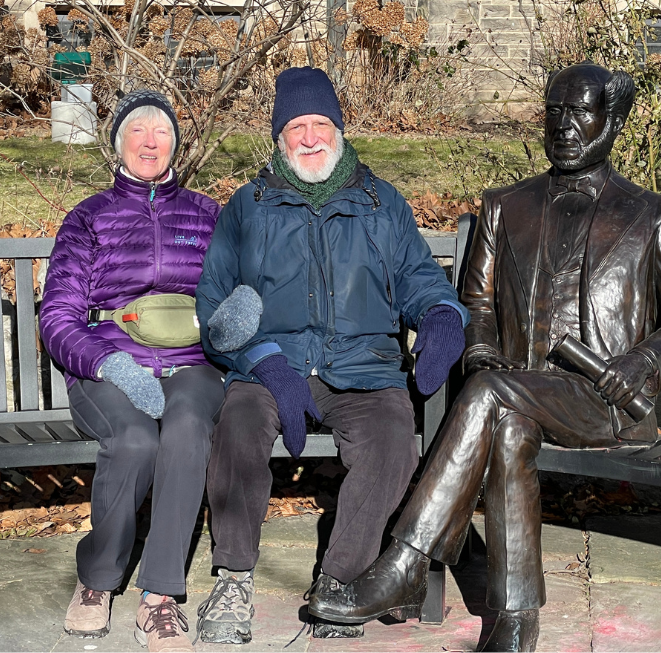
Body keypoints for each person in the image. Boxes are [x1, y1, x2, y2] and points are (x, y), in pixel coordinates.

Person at [307, 62, 661, 652]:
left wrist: (642, 363)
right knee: (509, 425)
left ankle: (404, 566)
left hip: (601, 399)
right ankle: (516, 626)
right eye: (554, 111)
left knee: (493, 398)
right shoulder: (505, 205)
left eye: (581, 112)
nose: (564, 125)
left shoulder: (652, 214)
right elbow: (475, 300)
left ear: (615, 119)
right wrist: (480, 347)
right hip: (515, 393)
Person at [193, 66, 468, 644]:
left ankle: (340, 583)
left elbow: (419, 277)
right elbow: (215, 301)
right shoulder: (248, 207)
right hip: (272, 365)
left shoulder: (381, 202)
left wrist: (443, 317)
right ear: (279, 137)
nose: (311, 137)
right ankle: (234, 576)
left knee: (394, 441)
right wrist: (263, 361)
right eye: (298, 126)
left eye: (322, 123)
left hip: (363, 368)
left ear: (339, 130)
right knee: (238, 426)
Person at [40, 89, 224, 653]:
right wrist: (107, 363)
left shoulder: (208, 214)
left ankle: (159, 598)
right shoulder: (89, 217)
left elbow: (236, 293)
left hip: (191, 362)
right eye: (138, 130)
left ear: (176, 142)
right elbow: (57, 315)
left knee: (189, 426)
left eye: (162, 131)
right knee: (137, 439)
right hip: (109, 365)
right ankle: (97, 579)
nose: (151, 141)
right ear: (118, 143)